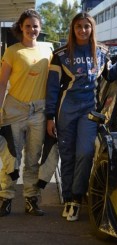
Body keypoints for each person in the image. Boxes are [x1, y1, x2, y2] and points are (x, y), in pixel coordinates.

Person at [45, 12, 117, 222]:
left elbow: (109, 75)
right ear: (73, 29)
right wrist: (50, 116)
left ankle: (77, 198)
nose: (83, 30)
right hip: (65, 111)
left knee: (84, 153)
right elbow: (51, 89)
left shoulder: (102, 52)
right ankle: (68, 199)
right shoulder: (60, 54)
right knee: (67, 156)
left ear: (92, 28)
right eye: (79, 26)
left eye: (86, 26)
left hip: (89, 111)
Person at [0, 9, 53, 217]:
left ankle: (31, 198)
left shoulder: (48, 50)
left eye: (36, 26)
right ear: (21, 27)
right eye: (28, 25)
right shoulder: (12, 51)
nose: (32, 29)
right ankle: (6, 198)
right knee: (11, 158)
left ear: (40, 28)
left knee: (33, 157)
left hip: (38, 112)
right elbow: (2, 83)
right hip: (14, 109)